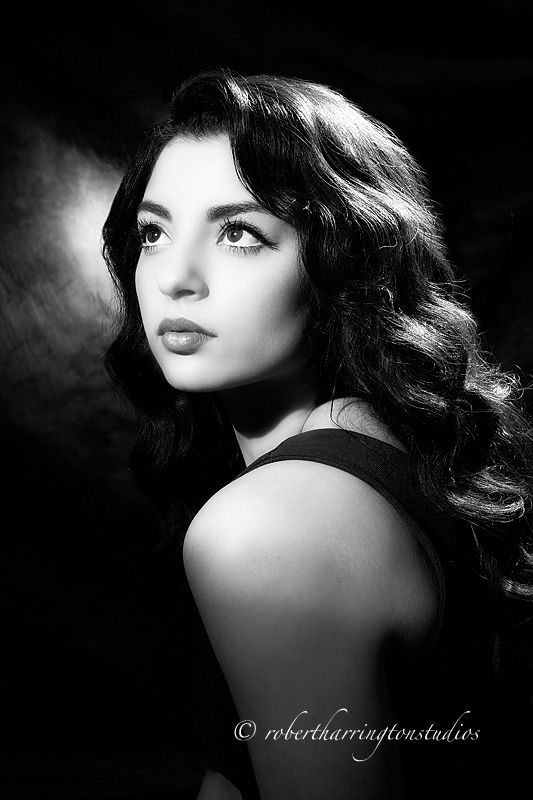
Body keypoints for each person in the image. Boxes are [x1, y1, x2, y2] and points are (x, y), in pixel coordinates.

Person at [102, 69, 533, 799]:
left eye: (240, 233)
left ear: (344, 261)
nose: (174, 277)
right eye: (152, 231)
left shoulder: (266, 530)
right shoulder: (384, 440)